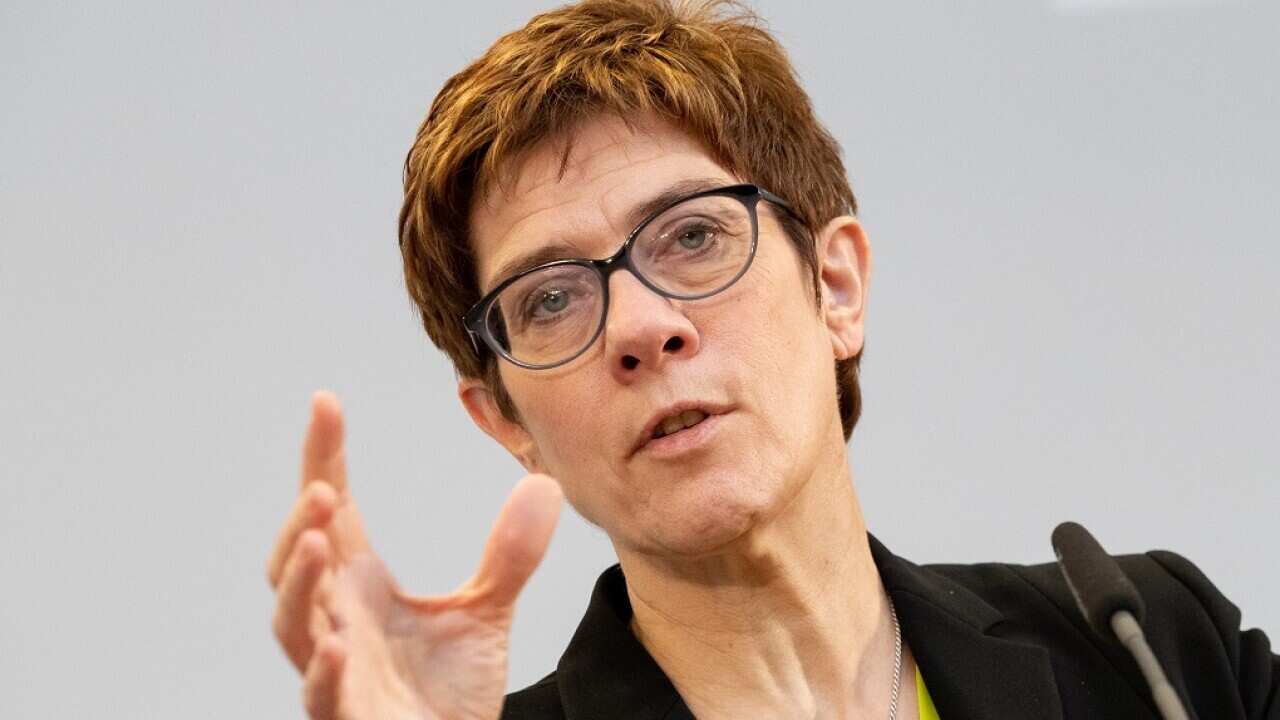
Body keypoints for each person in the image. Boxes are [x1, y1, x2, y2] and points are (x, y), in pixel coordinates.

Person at [265, 1, 1279, 718]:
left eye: (692, 236)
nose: (640, 326)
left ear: (834, 287)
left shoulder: (1151, 651)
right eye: (551, 299)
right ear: (507, 424)